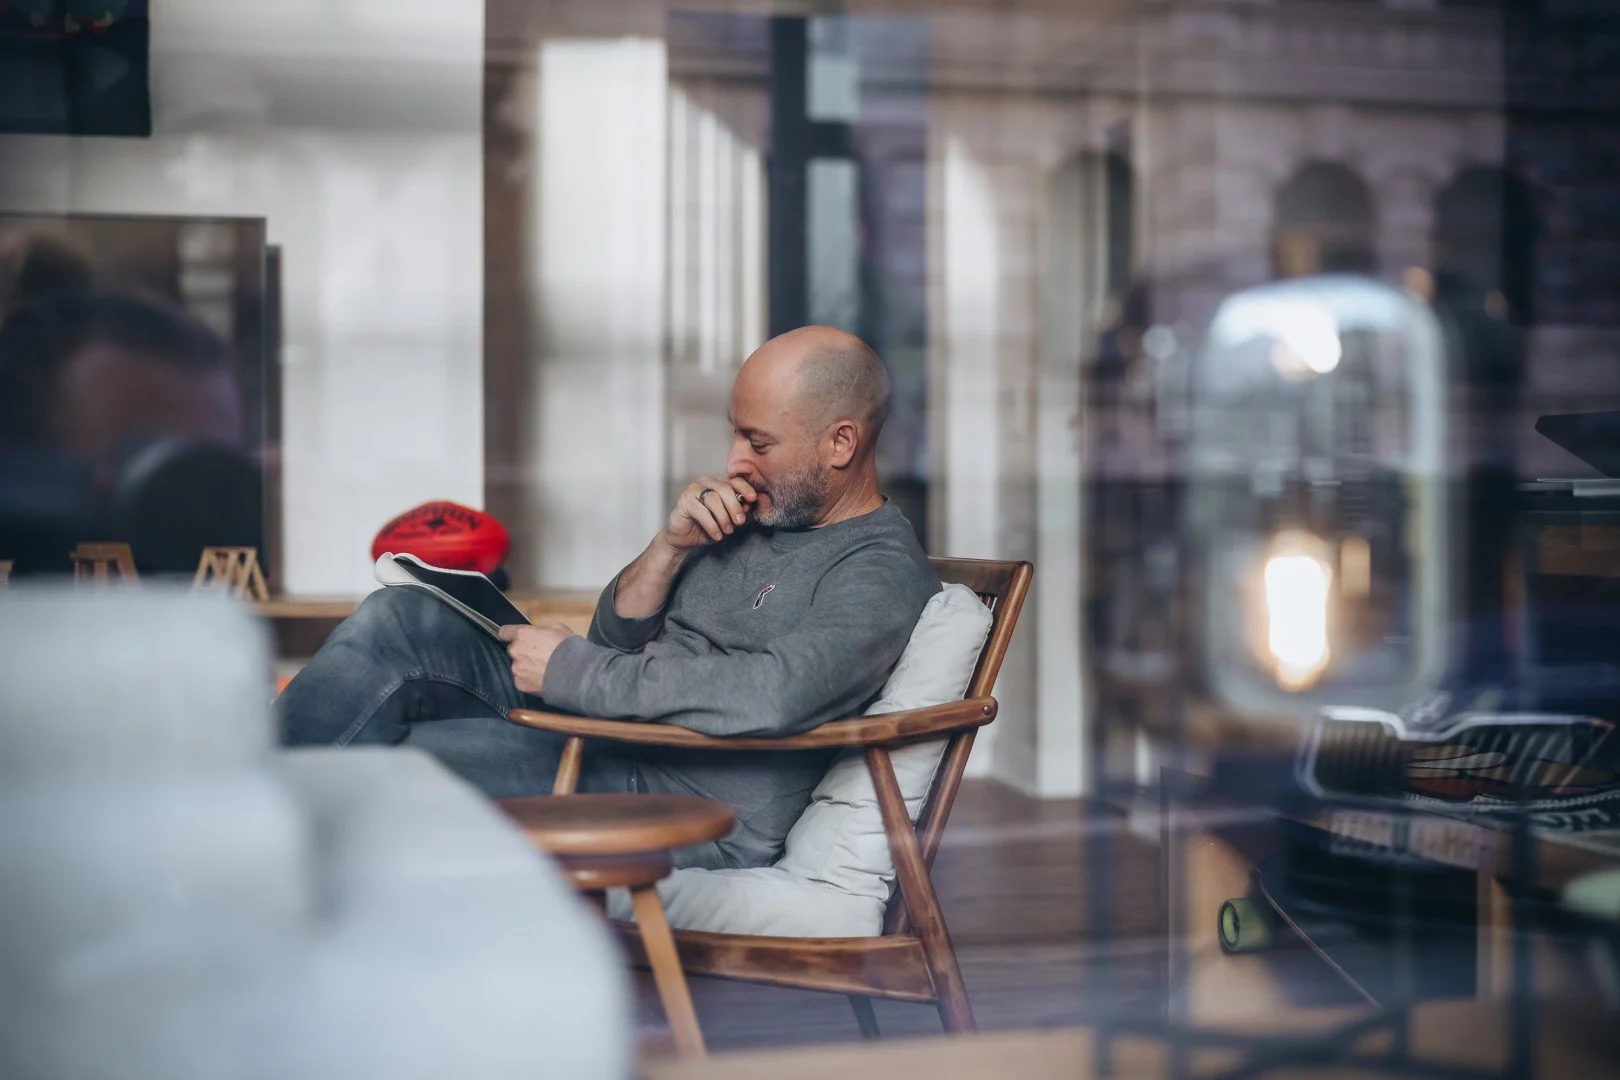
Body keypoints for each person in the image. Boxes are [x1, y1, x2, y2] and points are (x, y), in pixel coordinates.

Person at [279, 326, 941, 870]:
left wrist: (571, 671)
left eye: (758, 442)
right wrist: (670, 548)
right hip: (611, 730)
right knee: (406, 616)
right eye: (737, 434)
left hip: (675, 787)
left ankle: (223, 843)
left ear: (841, 443)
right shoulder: (758, 518)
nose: (735, 459)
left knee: (383, 756)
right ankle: (227, 815)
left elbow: (775, 694)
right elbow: (612, 639)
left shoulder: (878, 568)